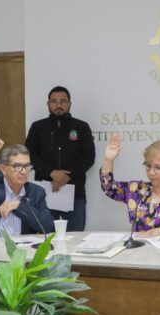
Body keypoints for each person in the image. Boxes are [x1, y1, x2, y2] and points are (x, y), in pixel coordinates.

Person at [25, 86, 95, 232]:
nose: (58, 105)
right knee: (46, 236)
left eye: (63, 101)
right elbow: (29, 155)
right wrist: (52, 173)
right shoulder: (38, 127)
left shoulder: (81, 127)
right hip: (45, 192)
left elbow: (88, 157)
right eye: (54, 101)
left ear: (70, 103)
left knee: (75, 237)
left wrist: (67, 176)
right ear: (48, 104)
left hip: (75, 192)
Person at [0, 128, 54, 241]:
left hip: (22, 249)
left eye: (27, 166)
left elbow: (47, 226)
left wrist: (19, 206)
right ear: (3, 169)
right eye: (17, 166)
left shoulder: (36, 192)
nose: (24, 171)